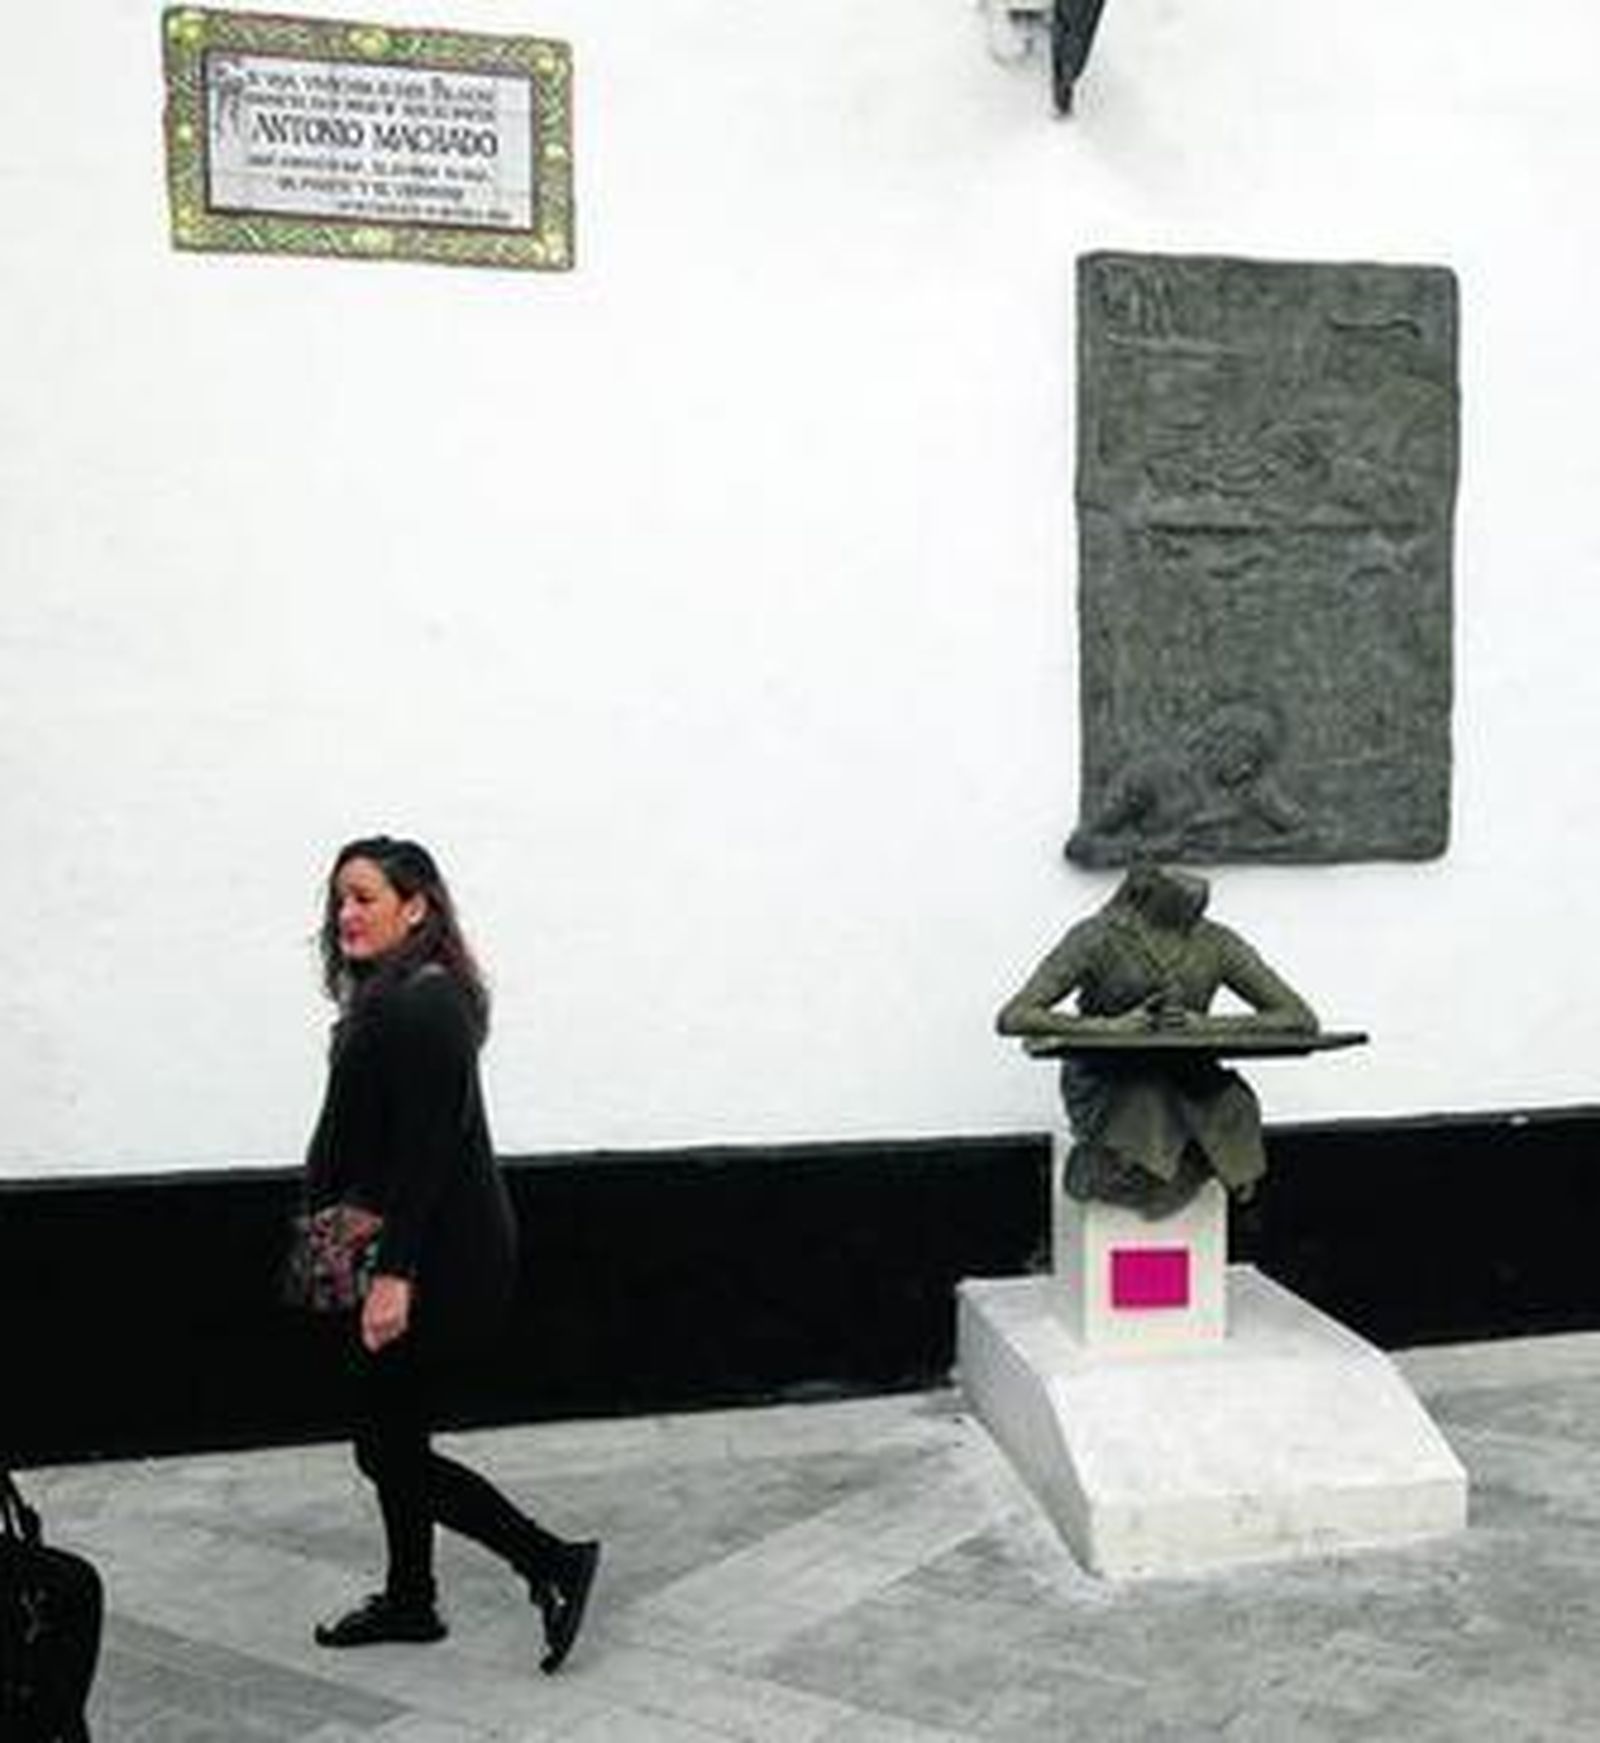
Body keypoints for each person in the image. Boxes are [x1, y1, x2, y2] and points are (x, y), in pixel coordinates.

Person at [302, 835, 599, 1669]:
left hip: (430, 1253)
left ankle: (552, 1561)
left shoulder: (428, 1001)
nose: (346, 913)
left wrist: (394, 1274)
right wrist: (330, 1249)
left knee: (385, 1444)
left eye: (365, 897)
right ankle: (410, 1599)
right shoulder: (386, 995)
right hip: (362, 1236)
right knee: (391, 1428)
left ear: (416, 907)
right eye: (339, 898)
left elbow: (430, 1150)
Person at [996, 864, 1317, 1214]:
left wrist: (1205, 1026)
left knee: (1232, 1100)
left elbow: (1298, 1018)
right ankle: (1116, 1174)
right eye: (1180, 902)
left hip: (1190, 1073)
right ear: (1146, 897)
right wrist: (1110, 1028)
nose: (1193, 906)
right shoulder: (1097, 937)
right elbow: (1015, 1016)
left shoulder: (1216, 942)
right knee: (1148, 1097)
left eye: (1198, 904)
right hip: (1108, 1076)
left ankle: (1182, 1177)